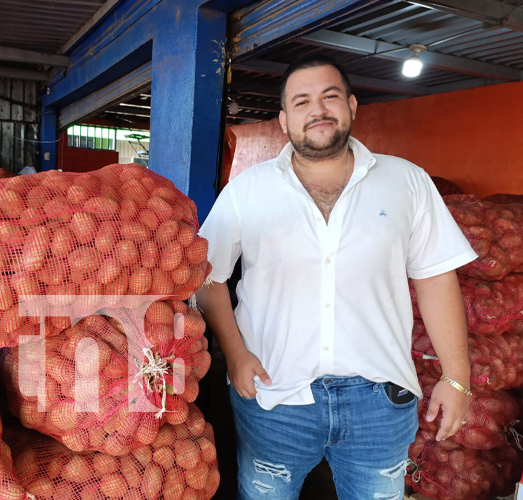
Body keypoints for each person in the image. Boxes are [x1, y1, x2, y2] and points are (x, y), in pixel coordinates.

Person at [196, 55, 477, 500]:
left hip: (380, 402)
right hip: (274, 395)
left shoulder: (406, 181)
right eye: (302, 101)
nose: (318, 110)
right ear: (285, 120)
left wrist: (457, 377)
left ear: (351, 104)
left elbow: (436, 278)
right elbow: (208, 277)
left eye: (329, 96)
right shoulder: (248, 191)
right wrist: (234, 354)